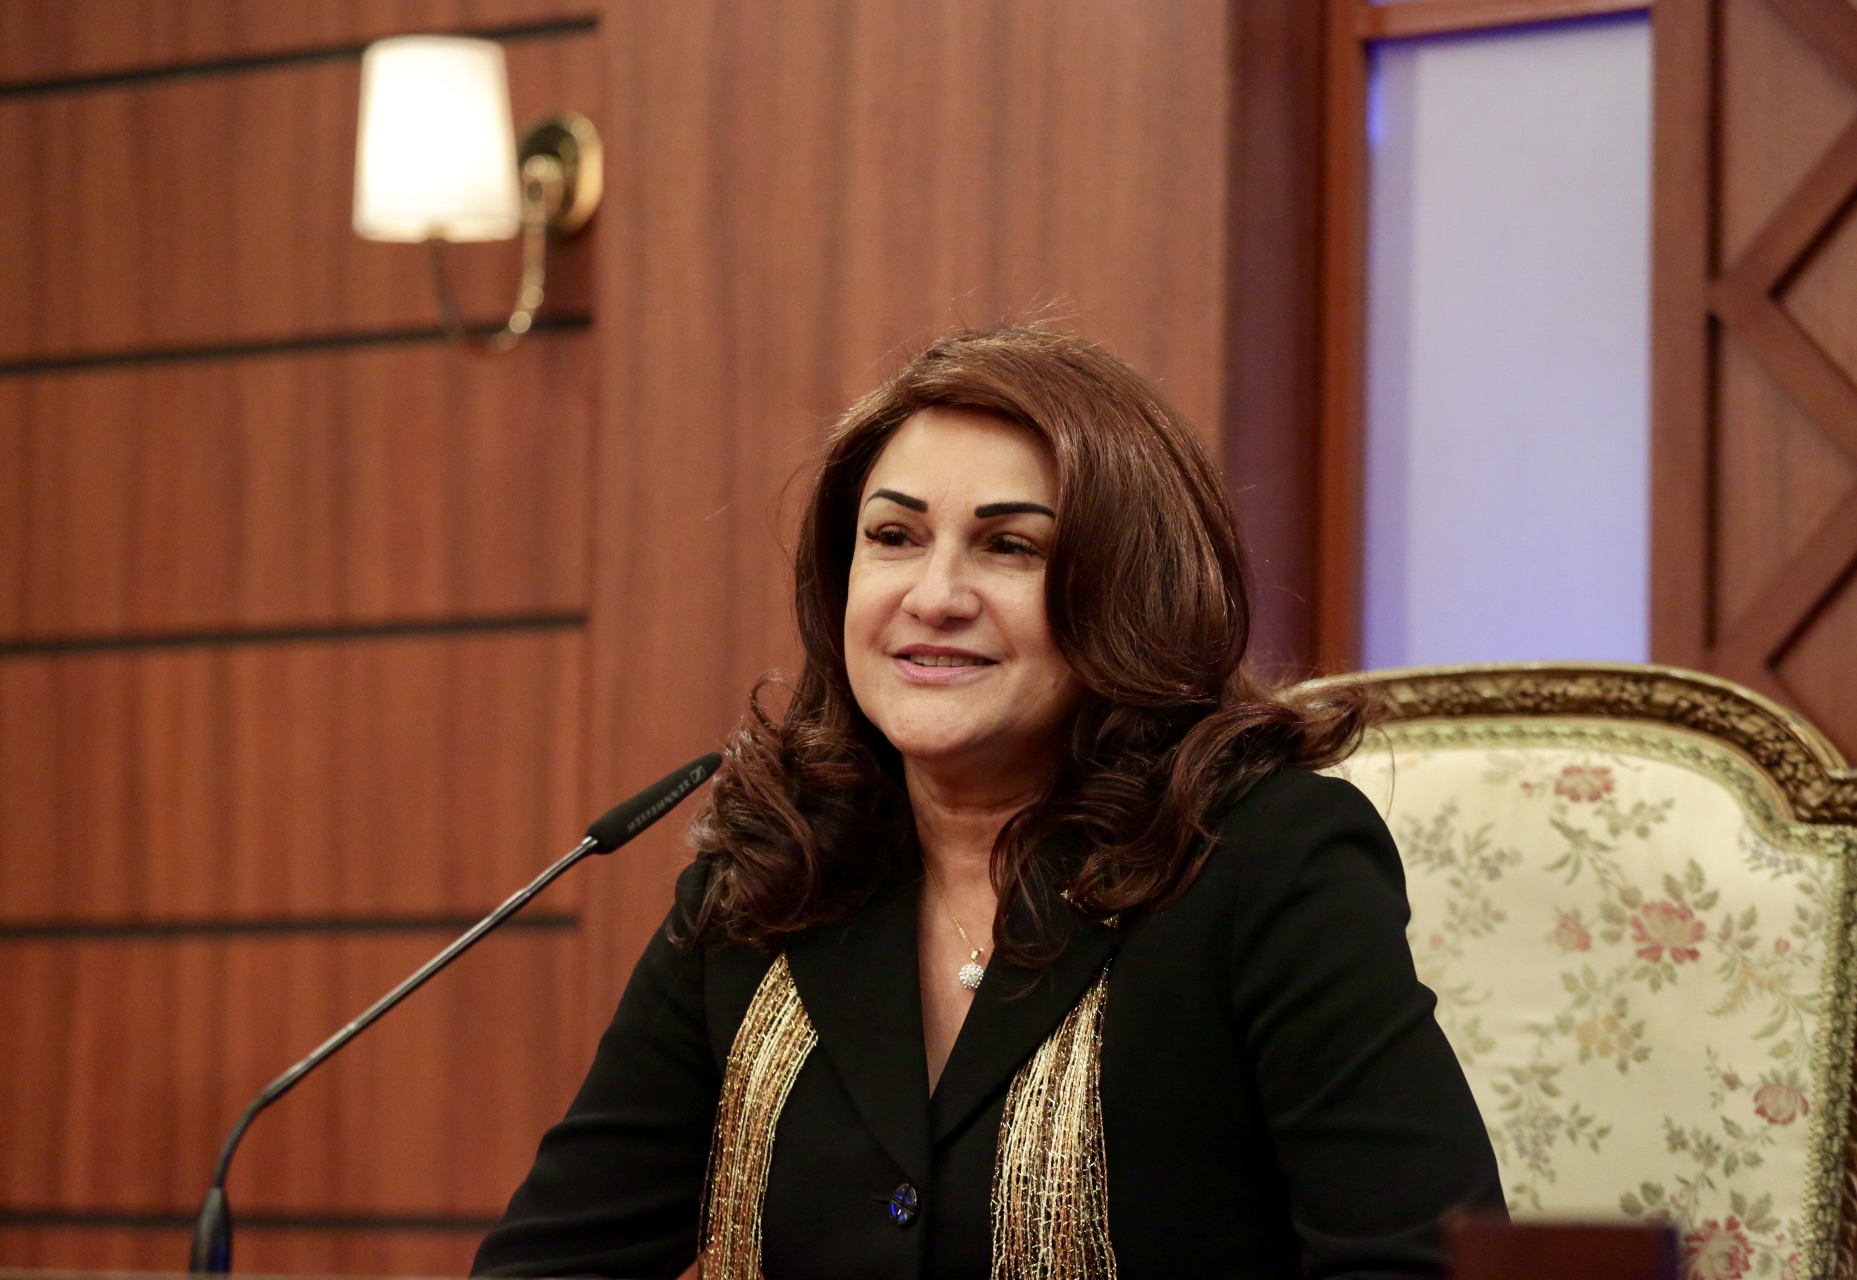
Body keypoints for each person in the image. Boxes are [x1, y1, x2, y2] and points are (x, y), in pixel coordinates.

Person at [472, 325, 1503, 1280]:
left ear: (1127, 591)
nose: (934, 596)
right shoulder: (771, 877)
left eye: (1011, 546)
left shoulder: (1264, 860)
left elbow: (1418, 1263)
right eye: (894, 536)